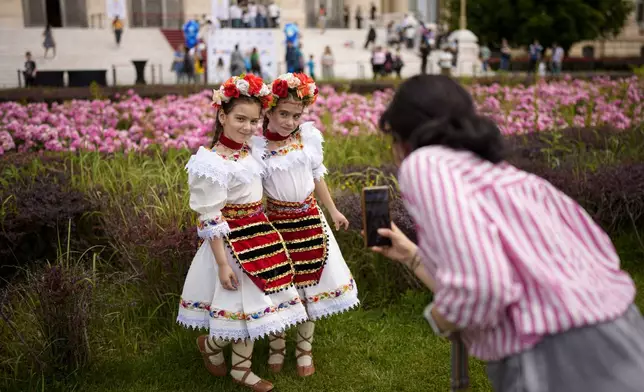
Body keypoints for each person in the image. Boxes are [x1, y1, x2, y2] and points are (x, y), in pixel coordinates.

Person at [373, 74, 644, 392]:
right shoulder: (507, 176)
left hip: (552, 351)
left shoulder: (425, 162)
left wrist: (441, 317)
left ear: (403, 133)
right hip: (619, 326)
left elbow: (483, 286)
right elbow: (600, 254)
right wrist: (413, 255)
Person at [178, 74, 308, 392]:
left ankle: (229, 360)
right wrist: (222, 263)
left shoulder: (250, 152)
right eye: (240, 119)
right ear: (222, 116)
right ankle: (219, 352)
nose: (248, 127)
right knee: (239, 307)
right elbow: (209, 216)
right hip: (230, 243)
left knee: (255, 304)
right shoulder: (212, 162)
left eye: (253, 120)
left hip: (259, 235)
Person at [262, 72, 359, 377]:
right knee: (280, 287)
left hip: (310, 222)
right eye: (283, 114)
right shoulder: (258, 146)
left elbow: (317, 179)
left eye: (296, 115)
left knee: (309, 286)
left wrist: (333, 211)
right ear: (269, 111)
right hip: (277, 225)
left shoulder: (307, 138)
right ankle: (277, 345)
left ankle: (304, 347)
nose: (290, 121)